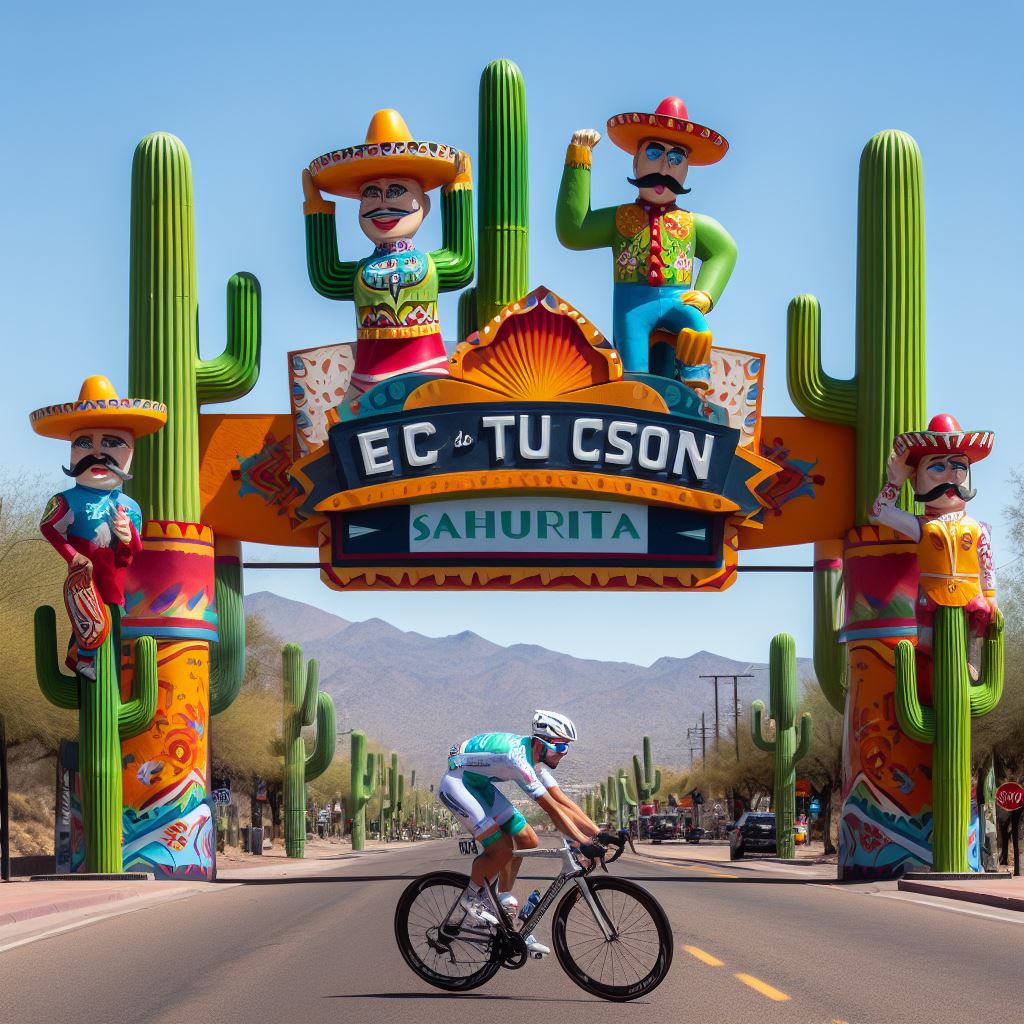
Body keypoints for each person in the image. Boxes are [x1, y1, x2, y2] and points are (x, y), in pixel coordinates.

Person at [556, 96, 736, 391]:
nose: (665, 166)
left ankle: (695, 380)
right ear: (636, 160)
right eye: (654, 152)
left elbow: (725, 250)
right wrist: (579, 160)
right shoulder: (621, 218)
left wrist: (705, 294)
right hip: (632, 303)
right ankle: (637, 402)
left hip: (680, 299)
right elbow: (574, 231)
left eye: (676, 158)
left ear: (686, 169)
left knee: (699, 329)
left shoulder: (693, 224)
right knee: (634, 371)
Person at [302, 108, 473, 409]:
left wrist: (459, 188)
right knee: (344, 447)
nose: (382, 204)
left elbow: (462, 263)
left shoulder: (431, 265)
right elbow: (325, 275)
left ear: (425, 204)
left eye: (395, 191)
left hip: (428, 374)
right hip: (365, 382)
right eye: (370, 193)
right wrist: (316, 208)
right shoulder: (360, 272)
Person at [438, 711, 610, 955]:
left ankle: (504, 908)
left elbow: (562, 800)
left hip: (478, 784)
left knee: (527, 839)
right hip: (458, 784)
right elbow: (551, 809)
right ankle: (470, 898)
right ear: (541, 742)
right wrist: (582, 841)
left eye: (566, 747)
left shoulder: (534, 759)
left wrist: (598, 834)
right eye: (560, 746)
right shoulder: (517, 758)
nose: (564, 753)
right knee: (500, 850)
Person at [31, 375, 167, 677]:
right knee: (87, 611)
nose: (97, 453)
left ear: (129, 450)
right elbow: (49, 528)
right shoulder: (65, 499)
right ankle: (83, 660)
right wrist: (72, 556)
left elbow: (136, 551)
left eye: (111, 443)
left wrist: (127, 536)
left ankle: (100, 663)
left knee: (113, 611)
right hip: (86, 570)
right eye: (84, 443)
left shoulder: (129, 507)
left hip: (115, 574)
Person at [870, 413, 997, 686]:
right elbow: (879, 512)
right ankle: (930, 684)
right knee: (927, 652)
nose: (950, 476)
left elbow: (987, 564)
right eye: (937, 468)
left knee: (974, 643)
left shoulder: (979, 528)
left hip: (971, 598)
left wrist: (990, 596)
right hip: (931, 598)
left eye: (958, 466)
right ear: (916, 480)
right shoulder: (921, 525)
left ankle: (971, 674)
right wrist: (895, 480)